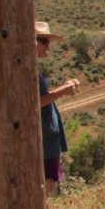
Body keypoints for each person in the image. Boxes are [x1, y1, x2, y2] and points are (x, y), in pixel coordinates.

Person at [34, 22, 80, 195]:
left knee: (50, 182)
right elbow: (33, 104)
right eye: (45, 42)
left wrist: (61, 89)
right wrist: (62, 91)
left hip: (49, 140)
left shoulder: (33, 69)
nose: (48, 47)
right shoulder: (26, 70)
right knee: (45, 185)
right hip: (44, 141)